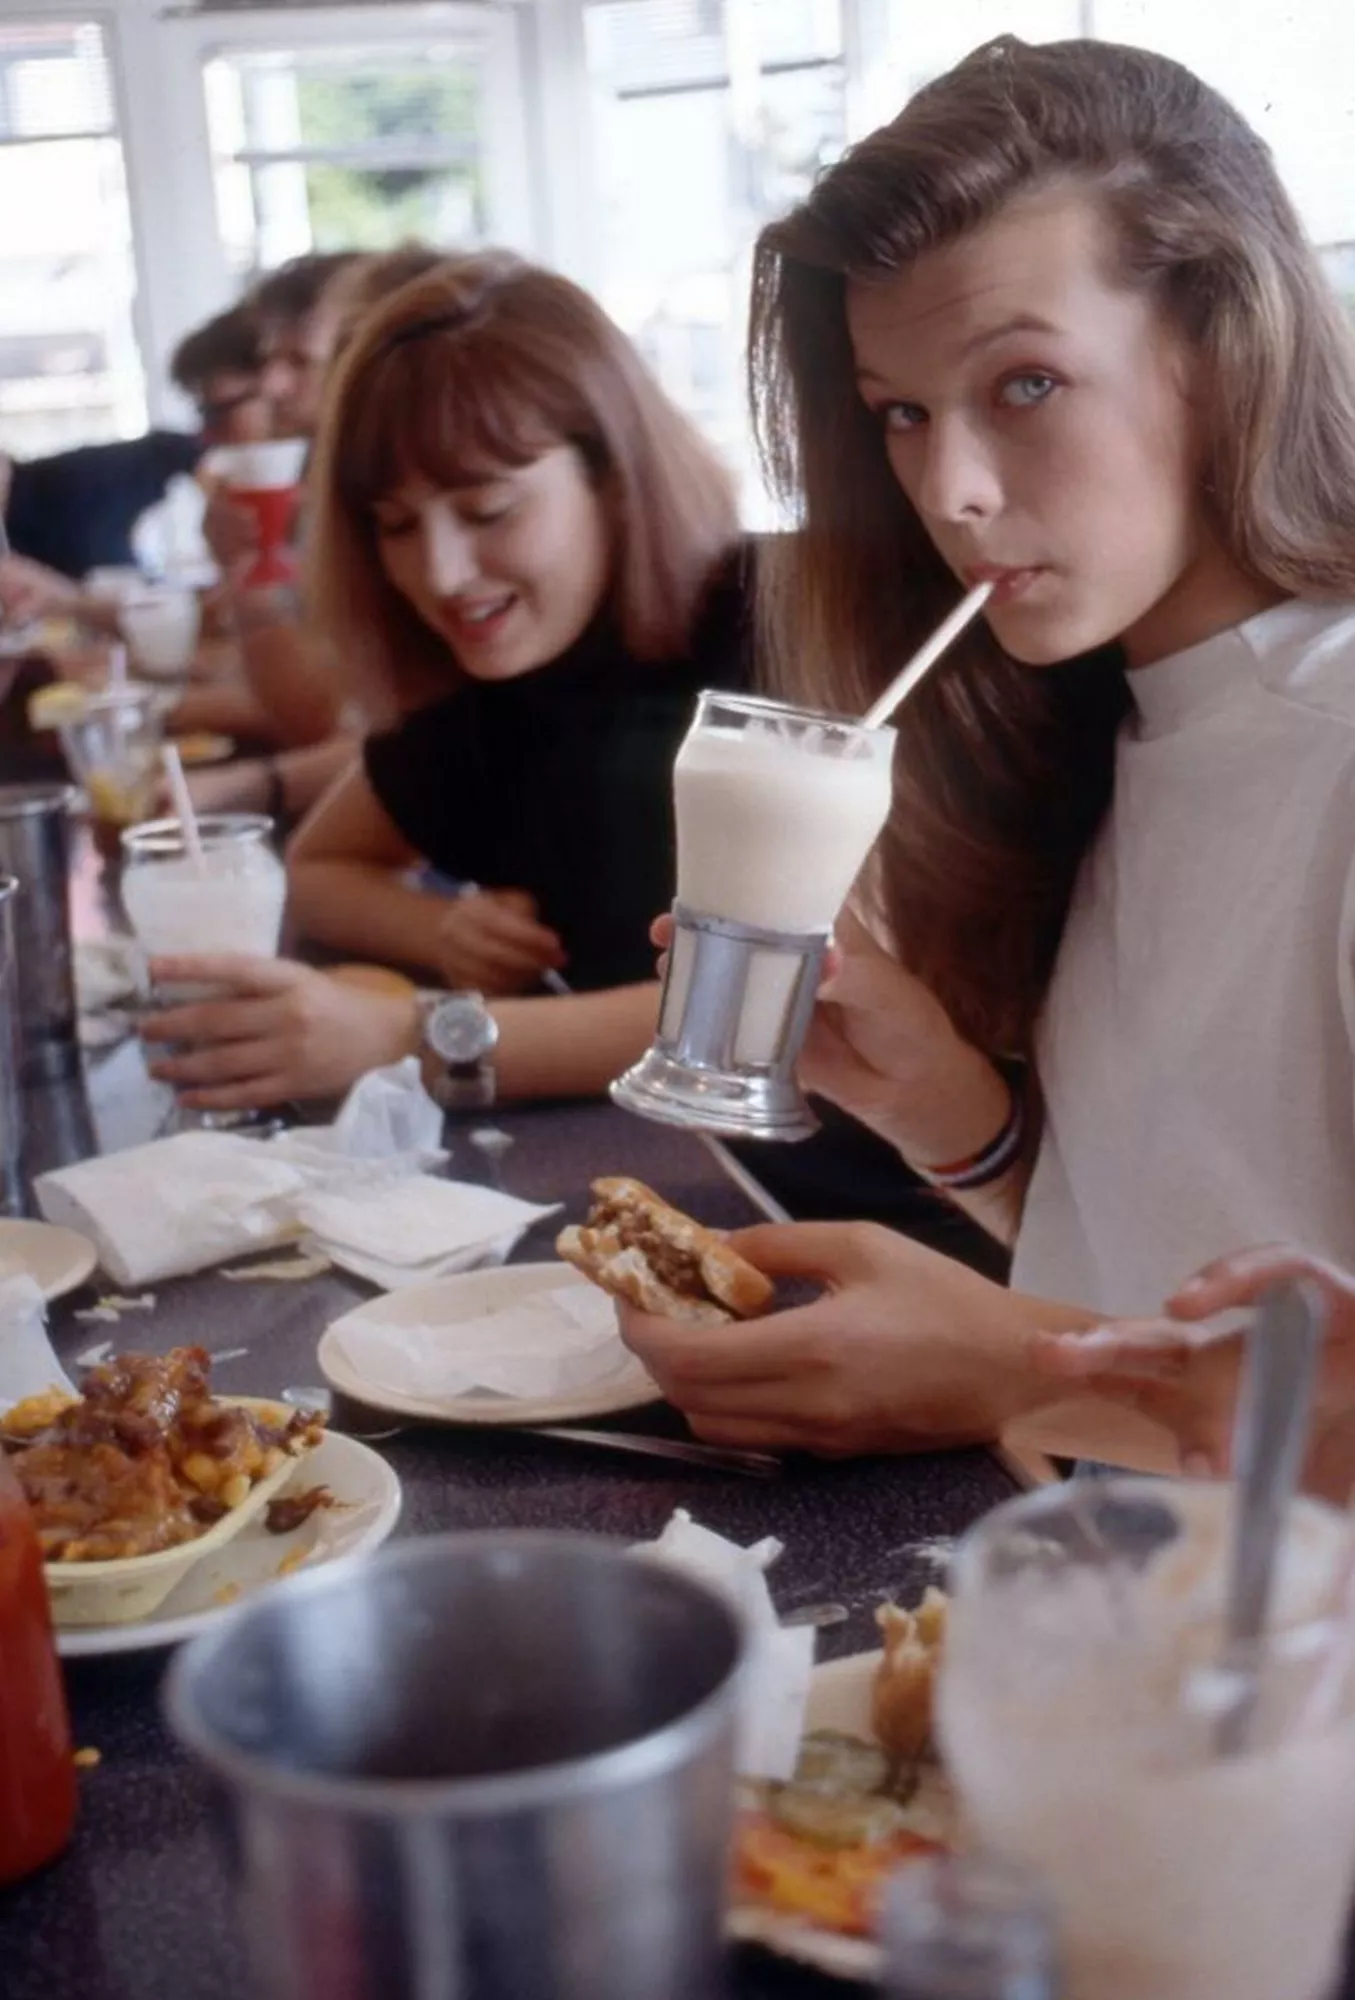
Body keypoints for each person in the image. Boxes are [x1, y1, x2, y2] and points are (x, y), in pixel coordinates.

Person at [616, 35, 1355, 1479]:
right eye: (899, 411)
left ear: (1221, 345)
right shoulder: (1125, 726)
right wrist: (957, 1122)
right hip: (1142, 1614)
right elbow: (1184, 1256)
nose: (945, 489)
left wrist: (1010, 1372)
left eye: (1020, 385)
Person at [137, 251, 745, 1110]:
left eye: (487, 511)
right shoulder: (483, 686)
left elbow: (773, 1009)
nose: (442, 574)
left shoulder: (770, 624)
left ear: (612, 474)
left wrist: (411, 1037)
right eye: (395, 525)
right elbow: (317, 868)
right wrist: (443, 927)